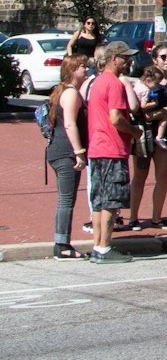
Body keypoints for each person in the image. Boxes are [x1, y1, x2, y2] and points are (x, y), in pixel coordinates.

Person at [85, 40, 141, 263]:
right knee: (111, 201)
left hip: (97, 148)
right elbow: (116, 118)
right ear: (112, 59)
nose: (128, 62)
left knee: (99, 200)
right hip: (111, 147)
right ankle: (105, 247)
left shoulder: (96, 82)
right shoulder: (114, 84)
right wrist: (134, 131)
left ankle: (98, 246)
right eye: (124, 57)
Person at [46, 55, 90, 259]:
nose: (86, 69)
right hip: (65, 152)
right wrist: (79, 152)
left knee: (65, 199)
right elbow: (70, 124)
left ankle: (62, 242)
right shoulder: (71, 93)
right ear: (73, 70)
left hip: (57, 150)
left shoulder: (61, 90)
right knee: (66, 199)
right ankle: (62, 245)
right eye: (83, 67)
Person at [126, 62, 167, 230]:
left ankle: (157, 217)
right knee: (140, 175)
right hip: (144, 134)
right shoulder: (142, 86)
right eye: (163, 56)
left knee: (162, 177)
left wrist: (160, 113)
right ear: (154, 60)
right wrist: (155, 113)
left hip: (164, 135)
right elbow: (138, 109)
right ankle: (133, 218)